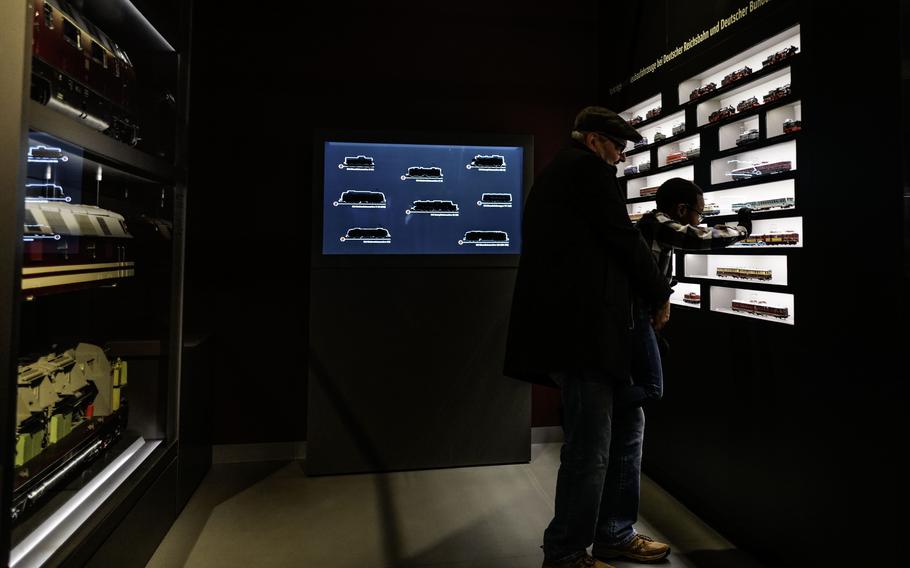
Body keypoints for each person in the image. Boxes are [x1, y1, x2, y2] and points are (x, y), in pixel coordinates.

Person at [504, 106, 673, 568]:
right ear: (596, 140)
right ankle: (566, 551)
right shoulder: (585, 171)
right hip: (585, 338)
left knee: (623, 433)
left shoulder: (563, 174)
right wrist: (659, 293)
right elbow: (623, 240)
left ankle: (614, 532)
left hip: (598, 336)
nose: (619, 157)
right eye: (617, 147)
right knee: (592, 449)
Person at [615, 177, 753, 409]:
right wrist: (742, 230)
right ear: (681, 209)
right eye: (699, 214)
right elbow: (697, 237)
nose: (699, 221)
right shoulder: (658, 224)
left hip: (637, 312)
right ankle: (595, 404)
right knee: (653, 389)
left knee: (637, 383)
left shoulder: (652, 225)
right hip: (636, 313)